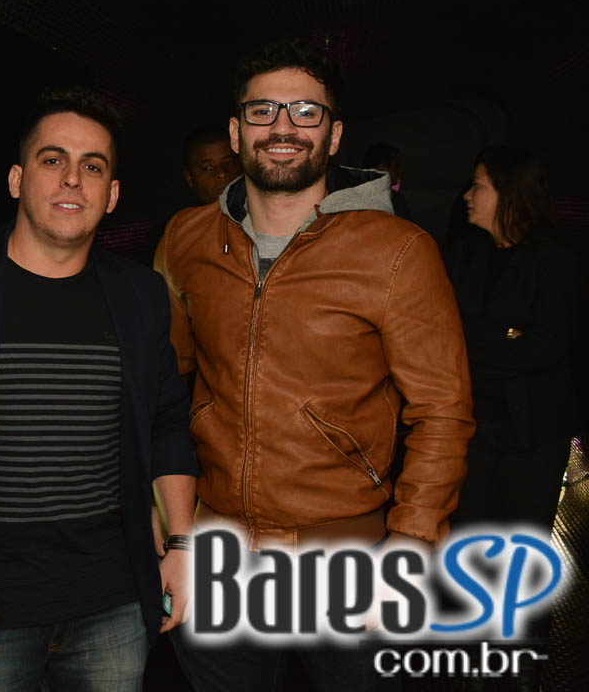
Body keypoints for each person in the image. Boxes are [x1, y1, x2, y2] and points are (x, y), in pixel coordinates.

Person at [154, 39, 474, 690]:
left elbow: (443, 411)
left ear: (334, 135)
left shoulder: (397, 251)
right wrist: (170, 528)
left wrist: (411, 543)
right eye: (263, 110)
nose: (284, 127)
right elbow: (161, 387)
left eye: (306, 111)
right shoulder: (187, 239)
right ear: (237, 132)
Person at [0, 87, 199, 690]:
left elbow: (168, 421)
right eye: (52, 159)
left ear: (111, 195)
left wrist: (181, 545)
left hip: (112, 606)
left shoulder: (139, 294)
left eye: (92, 166)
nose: (72, 179)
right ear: (17, 179)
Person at [446, 146, 576, 534]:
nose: (467, 195)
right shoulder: (463, 255)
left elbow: (546, 347)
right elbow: (443, 334)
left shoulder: (554, 261)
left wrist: (475, 337)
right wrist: (507, 333)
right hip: (471, 433)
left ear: (509, 192)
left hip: (531, 438)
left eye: (477, 185)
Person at [182, 125, 243, 205]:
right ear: (189, 178)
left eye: (229, 163)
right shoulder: (183, 214)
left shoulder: (258, 210)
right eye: (208, 168)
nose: (222, 173)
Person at [362, 142, 412, 220]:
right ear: (382, 169)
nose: (399, 171)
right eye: (396, 167)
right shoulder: (395, 201)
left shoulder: (396, 199)